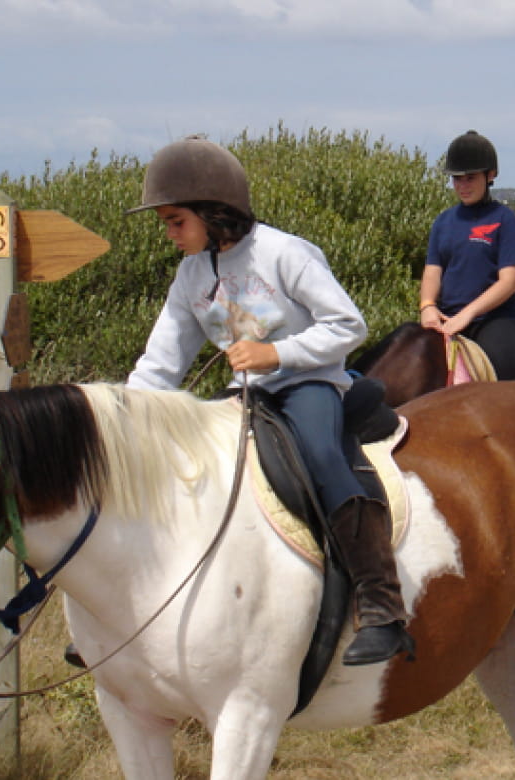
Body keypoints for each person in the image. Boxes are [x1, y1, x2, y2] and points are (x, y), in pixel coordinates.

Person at [125, 134, 415, 665]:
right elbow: (162, 362)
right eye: (166, 223)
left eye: (175, 221)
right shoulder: (190, 275)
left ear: (214, 213)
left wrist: (276, 354)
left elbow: (348, 325)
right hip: (245, 393)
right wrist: (123, 418)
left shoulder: (285, 253)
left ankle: (382, 606)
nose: (168, 235)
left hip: (310, 384)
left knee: (323, 456)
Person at [418, 130, 515, 380]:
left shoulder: (506, 220)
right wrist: (427, 306)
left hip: (493, 319)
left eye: (469, 178)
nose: (462, 186)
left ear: (490, 175)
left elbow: (509, 282)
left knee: (503, 367)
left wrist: (467, 315)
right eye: (456, 179)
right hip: (446, 316)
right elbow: (433, 271)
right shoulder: (443, 221)